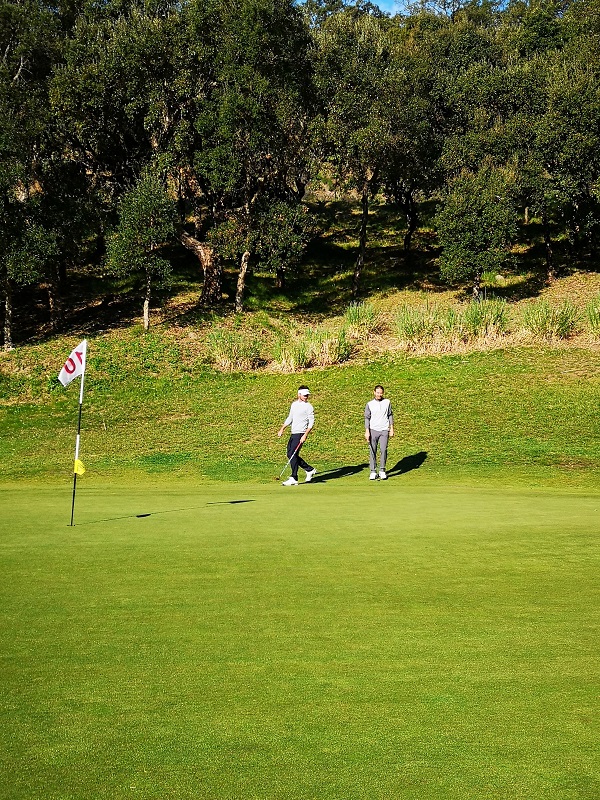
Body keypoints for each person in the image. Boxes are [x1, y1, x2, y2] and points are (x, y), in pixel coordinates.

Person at [278, 385, 316, 486]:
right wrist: (282, 428)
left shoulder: (308, 406)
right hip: (293, 432)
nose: (306, 397)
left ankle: (294, 477)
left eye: (307, 395)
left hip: (301, 433)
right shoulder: (294, 405)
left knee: (292, 454)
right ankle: (309, 469)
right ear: (299, 394)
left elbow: (311, 422)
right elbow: (290, 418)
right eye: (304, 395)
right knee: (290, 454)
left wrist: (305, 435)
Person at [364, 384, 394, 480]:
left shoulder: (387, 402)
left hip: (384, 429)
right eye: (377, 393)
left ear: (383, 393)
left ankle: (382, 470)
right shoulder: (369, 404)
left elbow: (390, 415)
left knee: (383, 450)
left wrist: (391, 428)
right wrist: (367, 431)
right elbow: (367, 418)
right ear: (374, 392)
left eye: (381, 393)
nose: (379, 395)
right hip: (373, 429)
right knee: (373, 451)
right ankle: (373, 471)